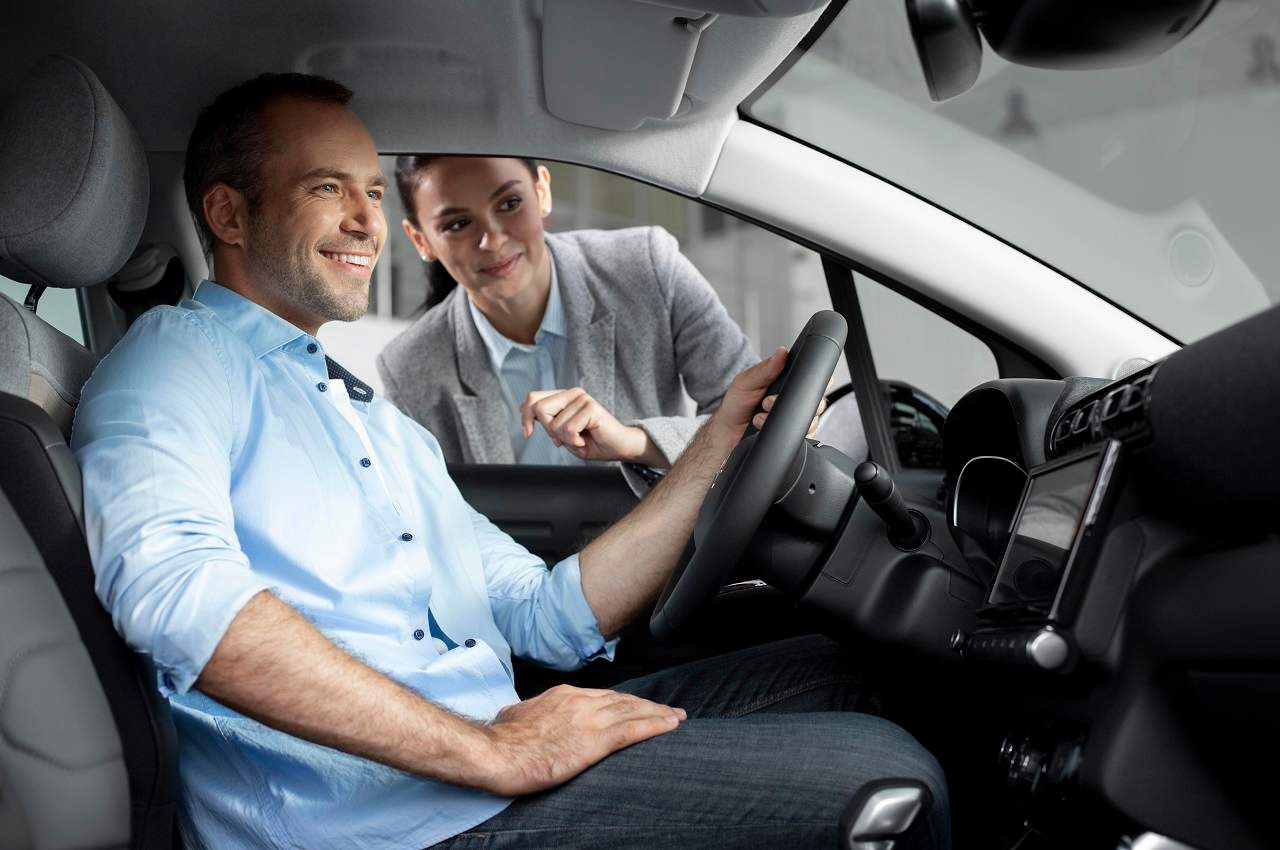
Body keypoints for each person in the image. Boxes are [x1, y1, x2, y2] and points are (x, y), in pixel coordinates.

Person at [71, 73, 949, 850]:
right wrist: (491, 749)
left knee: (860, 678)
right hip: (390, 822)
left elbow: (541, 615)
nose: (365, 220)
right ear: (228, 215)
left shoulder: (369, 417)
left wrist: (715, 447)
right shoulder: (176, 359)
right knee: (884, 780)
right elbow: (176, 595)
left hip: (482, 756)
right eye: (327, 188)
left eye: (374, 192)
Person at [376, 155, 758, 469]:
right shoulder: (408, 367)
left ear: (542, 191)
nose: (492, 241)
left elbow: (753, 421)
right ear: (421, 240)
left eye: (510, 204)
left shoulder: (646, 266)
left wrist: (634, 442)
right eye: (458, 224)